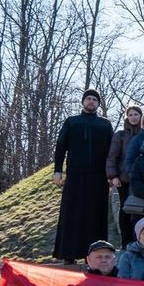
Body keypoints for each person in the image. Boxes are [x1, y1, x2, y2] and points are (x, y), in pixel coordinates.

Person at [53, 89, 114, 263]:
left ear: (98, 104)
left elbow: (111, 152)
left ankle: (94, 258)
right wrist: (58, 170)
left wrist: (111, 175)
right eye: (88, 98)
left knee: (96, 216)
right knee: (71, 215)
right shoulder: (72, 122)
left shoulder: (105, 125)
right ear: (83, 102)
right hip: (75, 176)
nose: (91, 101)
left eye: (95, 99)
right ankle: (68, 255)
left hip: (98, 178)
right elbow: (60, 146)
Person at [106, 106, 144, 245]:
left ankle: (140, 240)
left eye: (136, 114)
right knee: (125, 210)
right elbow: (112, 156)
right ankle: (126, 242)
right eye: (131, 114)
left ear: (141, 116)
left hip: (142, 178)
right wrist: (113, 176)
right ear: (127, 117)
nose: (133, 117)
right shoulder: (120, 135)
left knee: (141, 209)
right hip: (124, 179)